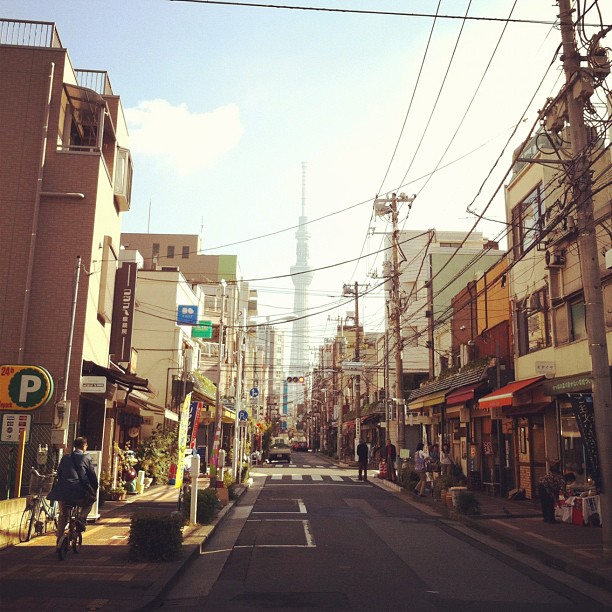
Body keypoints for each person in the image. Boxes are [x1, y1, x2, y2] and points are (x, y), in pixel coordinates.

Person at [48, 436, 98, 547]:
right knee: (89, 502)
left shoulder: (65, 458)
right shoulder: (86, 458)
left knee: (63, 515)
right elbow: (91, 476)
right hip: (78, 493)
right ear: (84, 446)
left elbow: (59, 474)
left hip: (62, 493)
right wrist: (94, 488)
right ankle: (81, 518)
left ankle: (59, 539)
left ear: (74, 446)